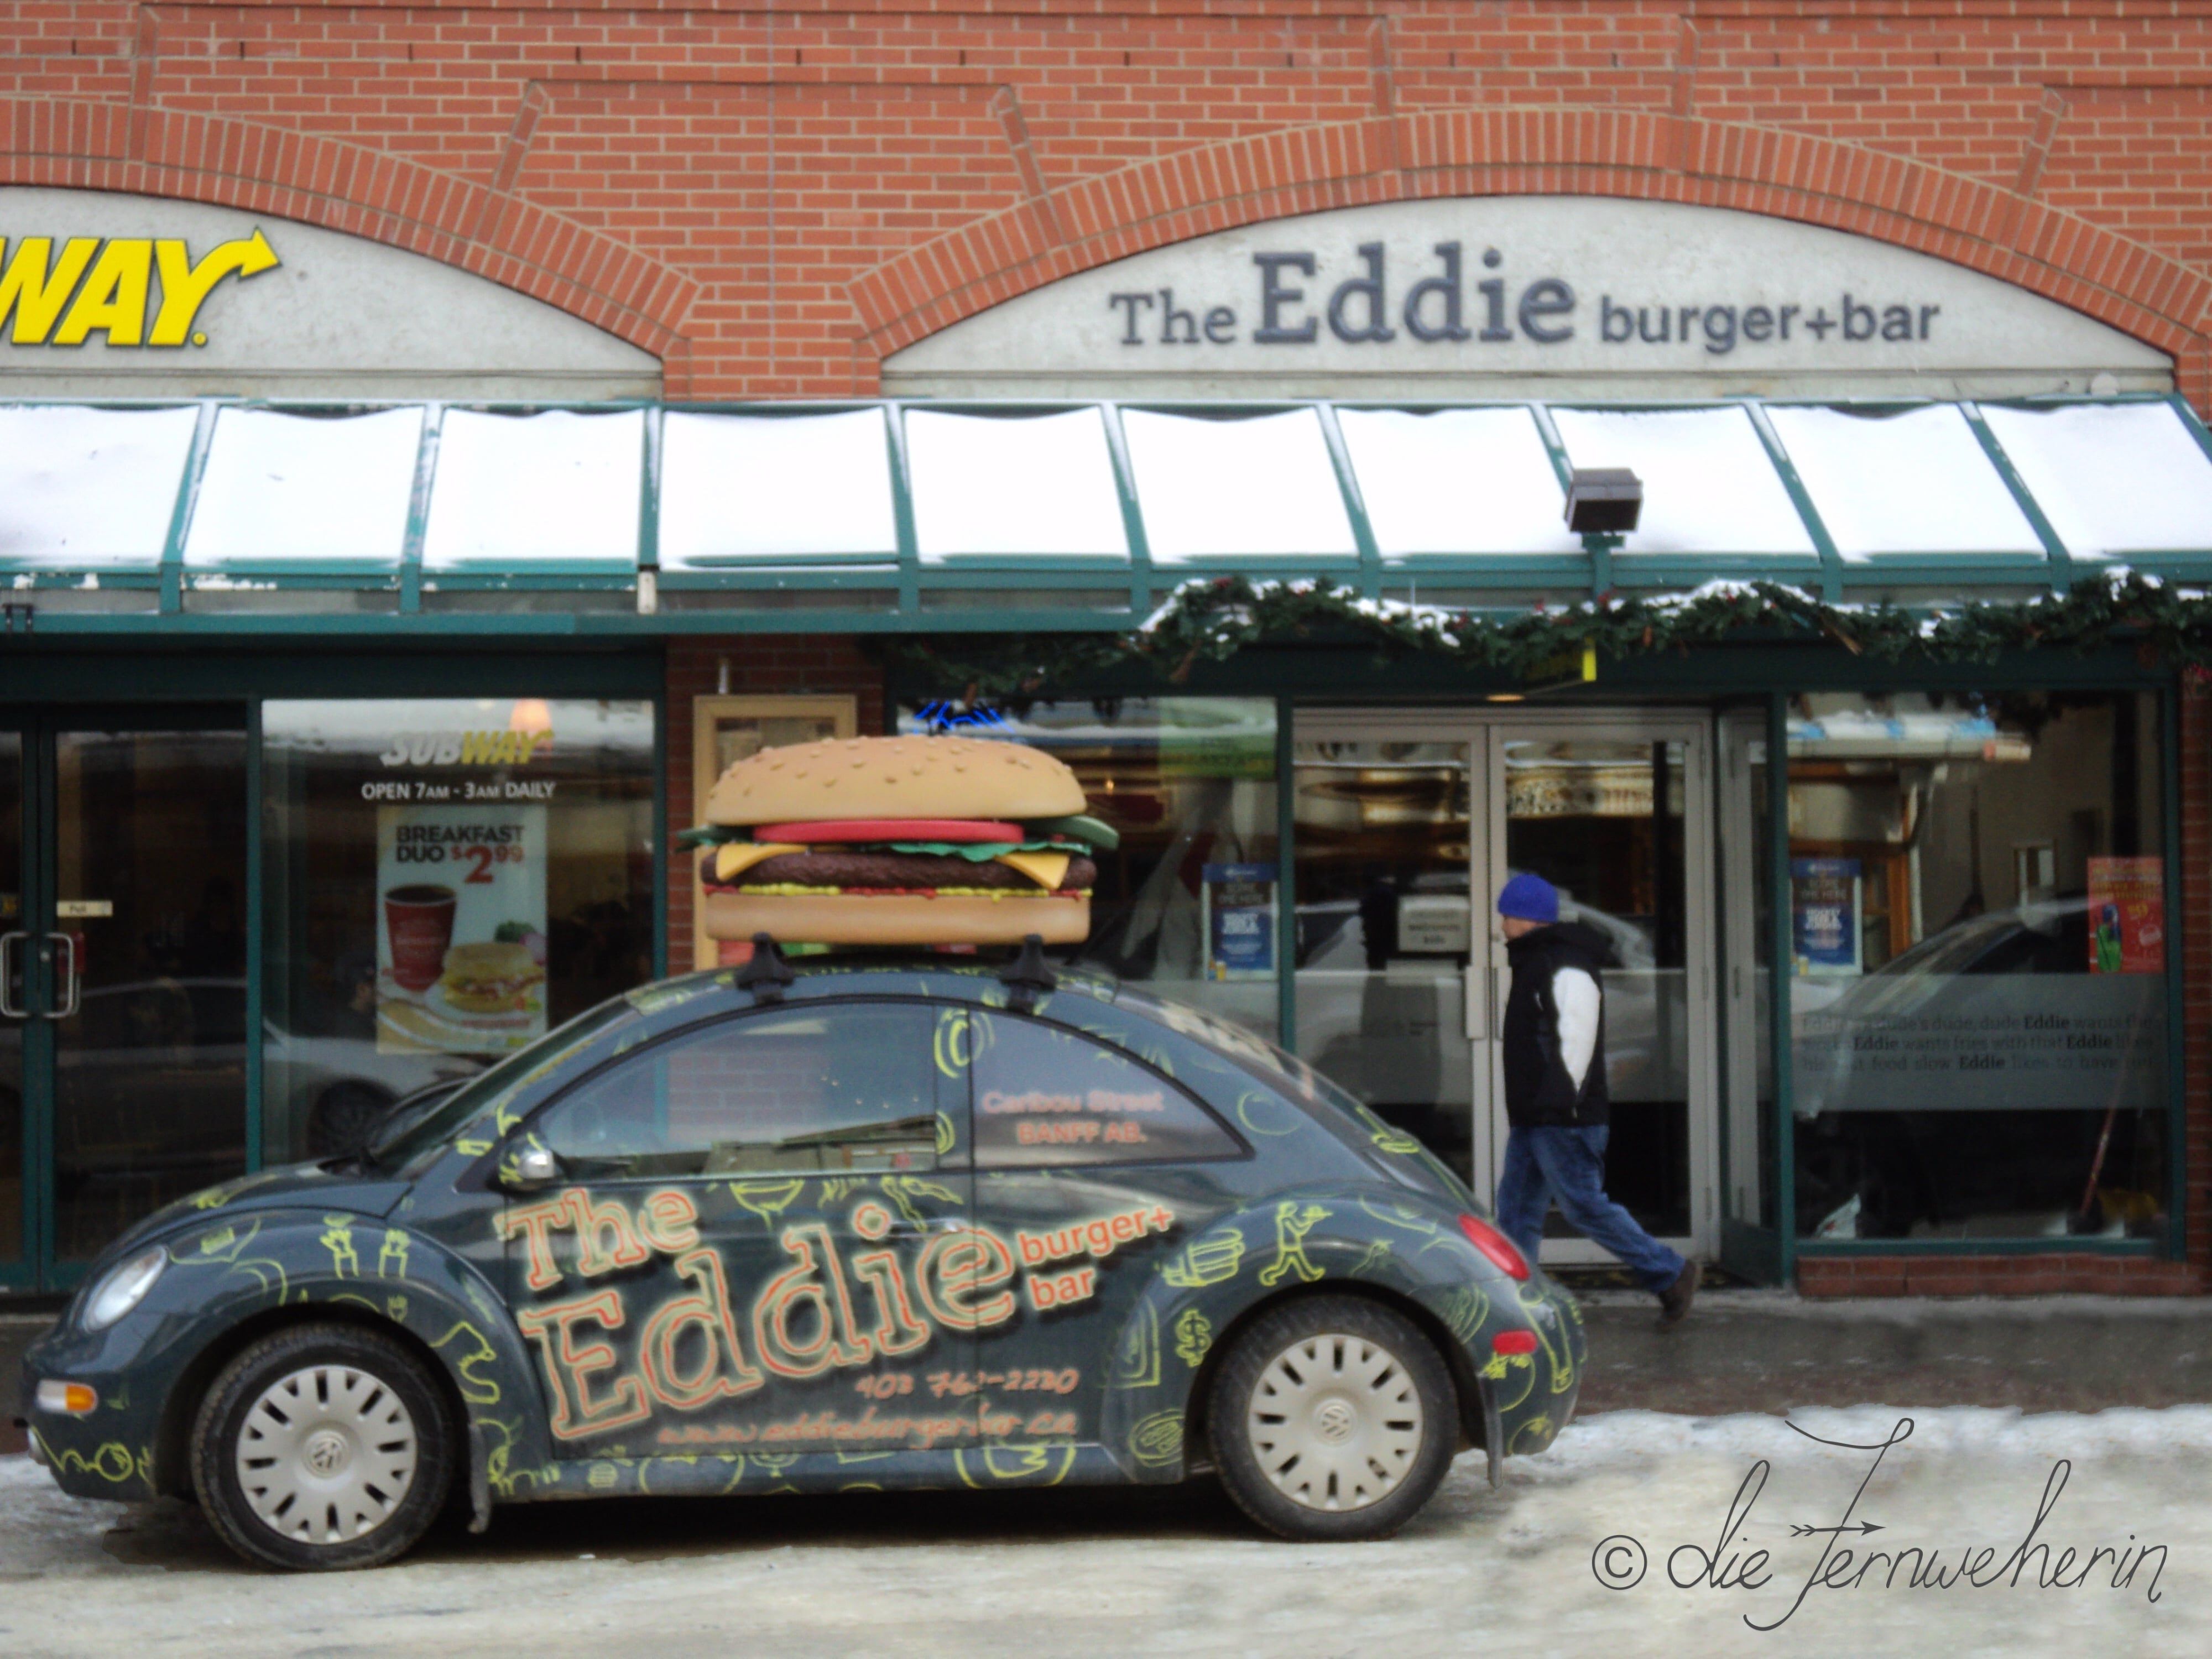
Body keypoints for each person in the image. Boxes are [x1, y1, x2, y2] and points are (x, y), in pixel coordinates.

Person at [1492, 871, 1700, 1324]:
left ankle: (1670, 1272)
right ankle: (1516, 1298)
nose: (1501, 925)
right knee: (1516, 1208)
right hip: (1538, 1115)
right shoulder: (1537, 961)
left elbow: (1578, 1037)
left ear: (1524, 918)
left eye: (1505, 915)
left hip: (1562, 1116)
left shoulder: (1563, 962)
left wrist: (1561, 1100)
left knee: (1582, 1206)